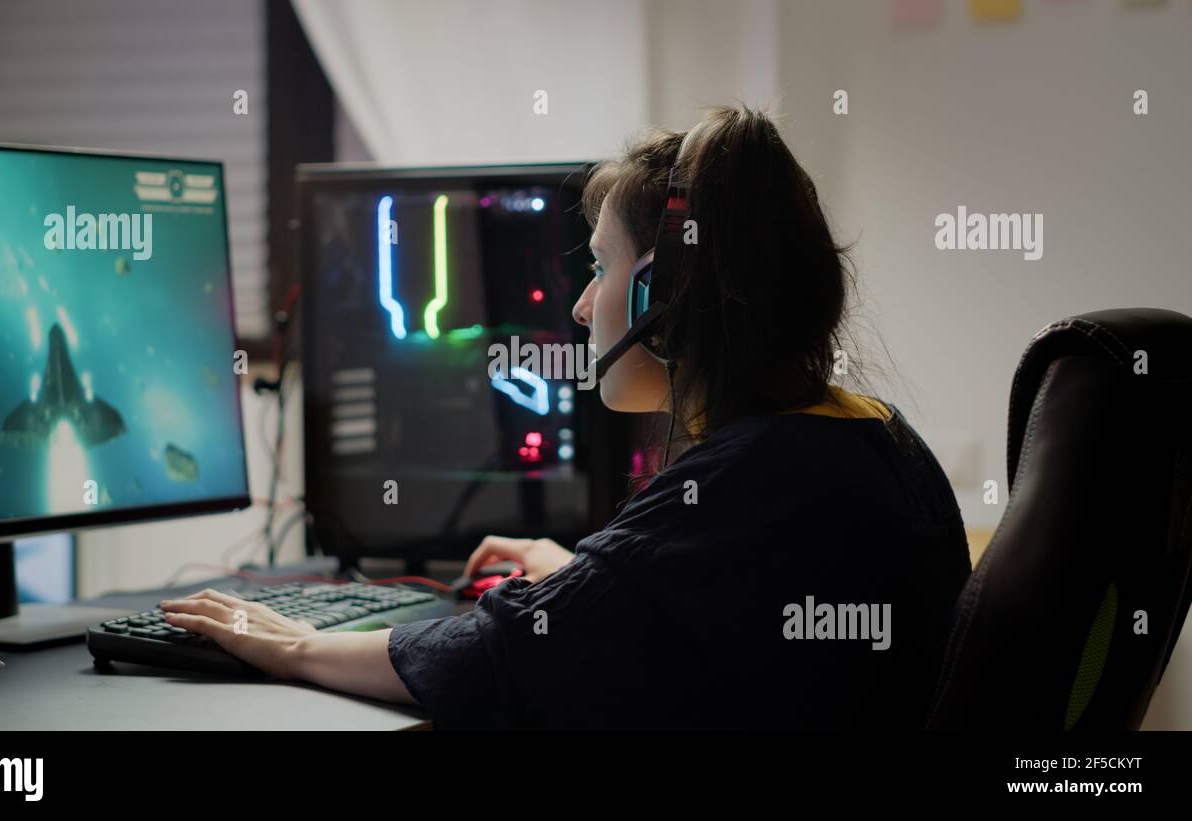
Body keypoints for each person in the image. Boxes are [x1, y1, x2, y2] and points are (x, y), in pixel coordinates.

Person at [161, 104, 972, 730]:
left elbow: (497, 651)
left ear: (667, 296)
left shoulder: (745, 479)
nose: (583, 307)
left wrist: (289, 643)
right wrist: (586, 576)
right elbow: (711, 613)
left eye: (602, 267)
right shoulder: (870, 433)